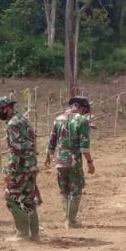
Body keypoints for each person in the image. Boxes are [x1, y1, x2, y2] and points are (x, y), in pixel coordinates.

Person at [0, 94, 40, 241]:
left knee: (10, 198)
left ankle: (22, 234)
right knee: (28, 199)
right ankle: (35, 234)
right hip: (31, 166)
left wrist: (9, 172)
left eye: (0, 109)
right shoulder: (24, 119)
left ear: (7, 108)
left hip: (20, 168)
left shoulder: (13, 123)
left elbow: (16, 149)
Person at [45, 95, 95, 228]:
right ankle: (71, 221)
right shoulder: (82, 120)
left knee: (64, 189)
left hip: (60, 159)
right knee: (76, 188)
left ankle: (67, 218)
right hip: (74, 160)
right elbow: (84, 146)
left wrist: (48, 155)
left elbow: (52, 140)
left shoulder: (58, 119)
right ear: (83, 108)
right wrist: (90, 162)